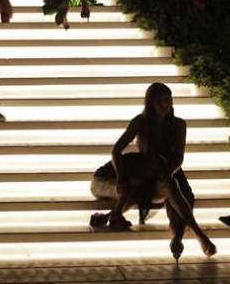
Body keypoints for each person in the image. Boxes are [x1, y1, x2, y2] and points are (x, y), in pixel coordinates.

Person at [89, 83, 217, 259]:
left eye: (169, 100)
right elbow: (116, 151)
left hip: (162, 171)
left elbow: (178, 157)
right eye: (161, 101)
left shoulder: (178, 124)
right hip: (108, 178)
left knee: (171, 185)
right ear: (151, 103)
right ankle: (115, 215)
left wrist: (167, 171)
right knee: (133, 186)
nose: (166, 105)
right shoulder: (140, 122)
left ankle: (188, 236)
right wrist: (120, 179)